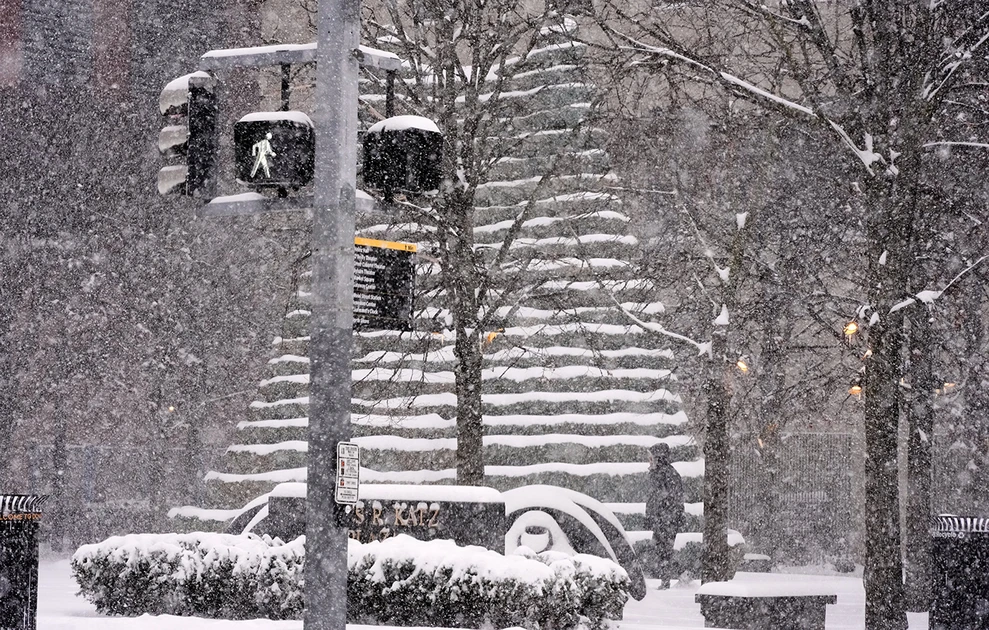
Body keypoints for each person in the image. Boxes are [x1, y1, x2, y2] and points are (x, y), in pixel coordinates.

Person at [646, 442, 685, 588]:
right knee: (660, 549)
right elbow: (653, 498)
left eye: (651, 458)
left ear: (659, 458)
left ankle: (670, 578)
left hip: (667, 519)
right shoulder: (658, 474)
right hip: (662, 519)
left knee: (665, 550)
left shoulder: (668, 475)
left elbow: (672, 498)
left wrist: (663, 515)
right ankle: (666, 579)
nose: (649, 461)